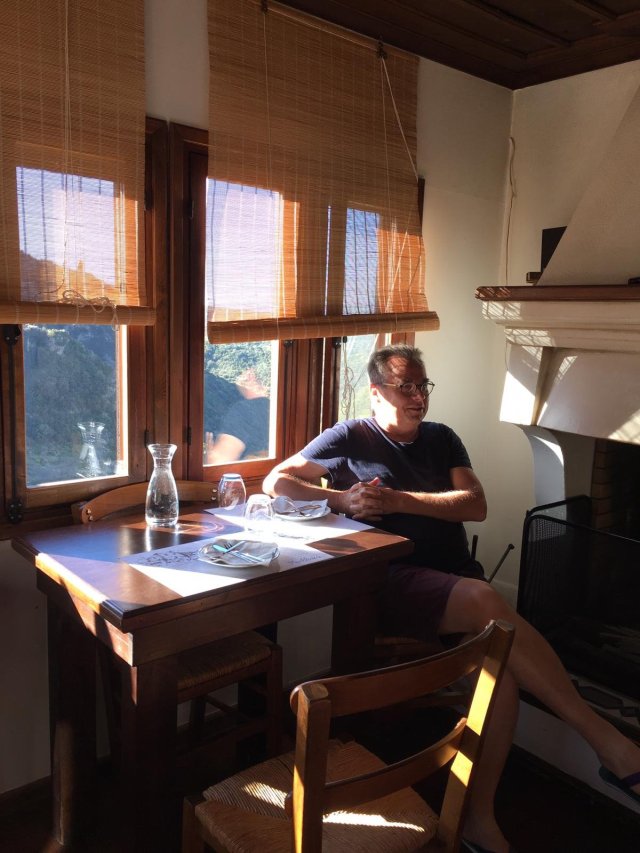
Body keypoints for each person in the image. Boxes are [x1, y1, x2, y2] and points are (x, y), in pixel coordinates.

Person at [263, 343, 640, 853]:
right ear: (376, 393)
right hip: (395, 579)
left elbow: (475, 504)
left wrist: (398, 499)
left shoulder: (442, 438)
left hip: (456, 578)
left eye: (423, 386)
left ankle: (476, 819)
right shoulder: (350, 435)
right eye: (406, 387)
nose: (418, 397)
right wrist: (342, 498)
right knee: (485, 601)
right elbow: (277, 481)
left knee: (499, 677)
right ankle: (609, 744)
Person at [205, 368, 270, 464]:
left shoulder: (244, 411)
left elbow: (218, 464)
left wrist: (209, 457)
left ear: (250, 375)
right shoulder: (279, 410)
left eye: (238, 374)